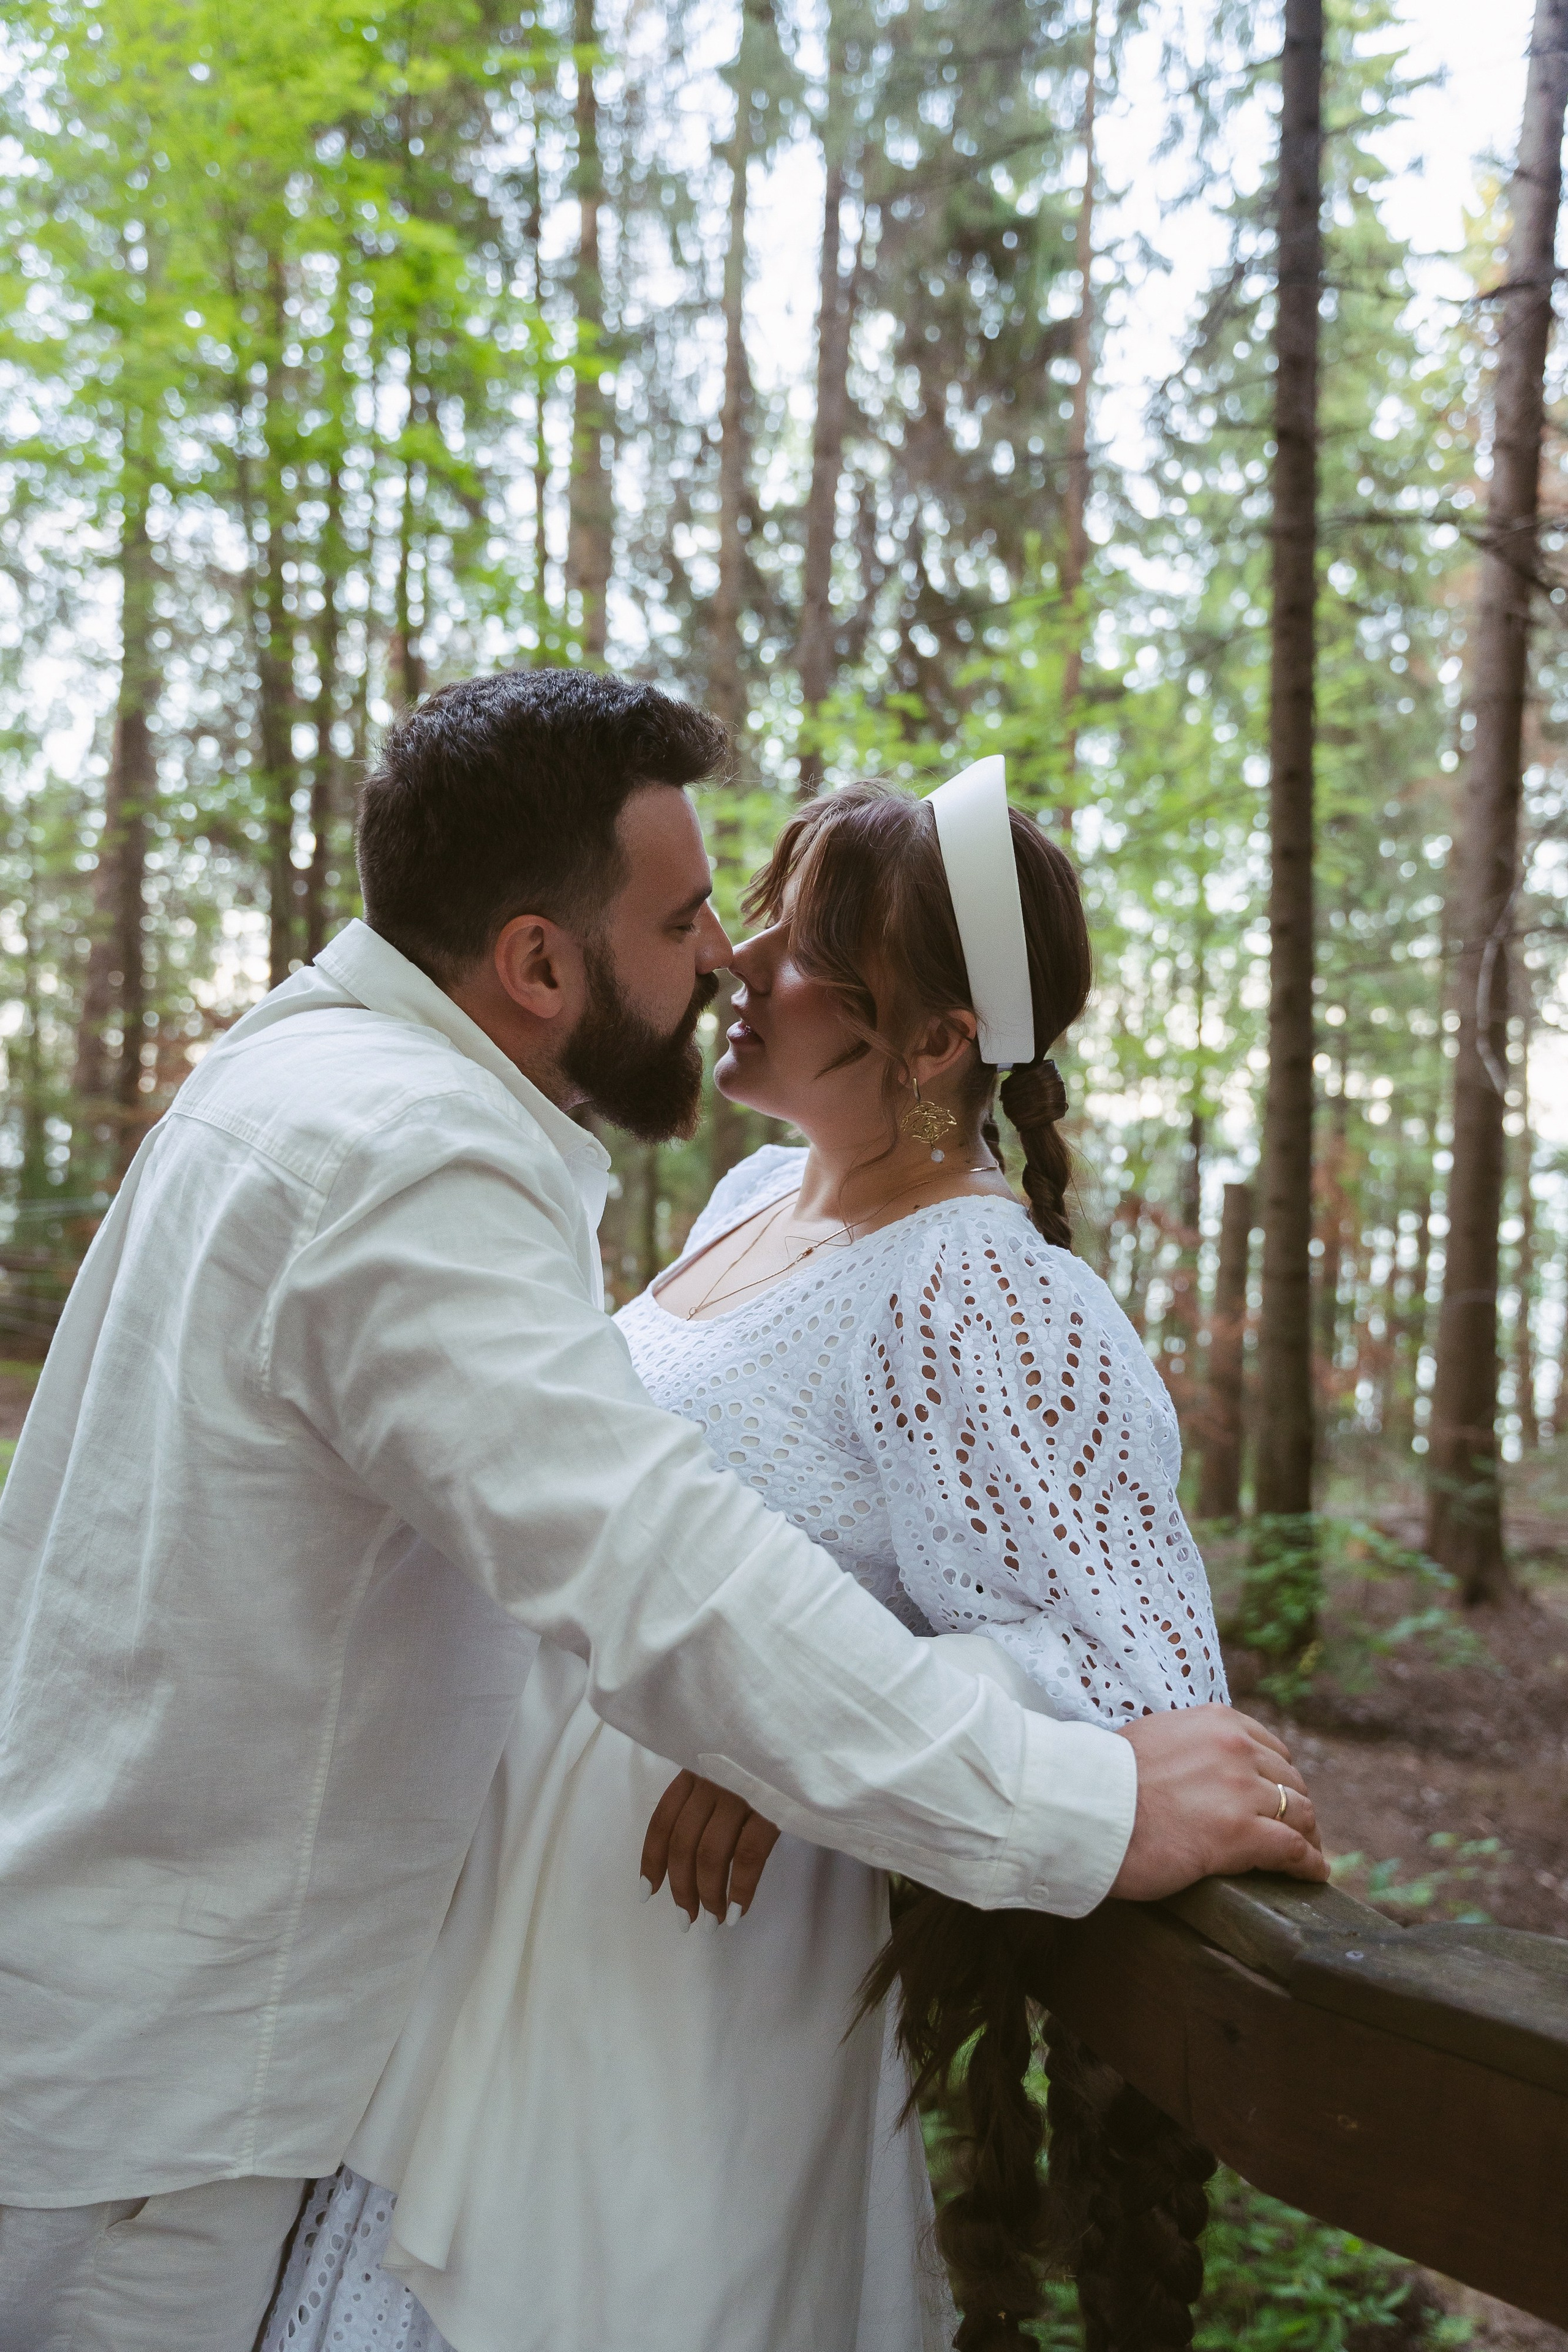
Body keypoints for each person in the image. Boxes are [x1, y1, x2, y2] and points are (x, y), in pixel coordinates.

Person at [0, 673, 1321, 2352]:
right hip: (389, 1993)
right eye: (713, 913)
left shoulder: (987, 1293)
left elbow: (1134, 1672)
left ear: (933, 1040)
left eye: (792, 936)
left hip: (678, 2008)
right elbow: (632, 1540)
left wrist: (795, 1749)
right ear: (536, 959)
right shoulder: (711, 1194)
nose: (734, 959)